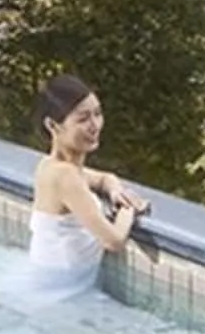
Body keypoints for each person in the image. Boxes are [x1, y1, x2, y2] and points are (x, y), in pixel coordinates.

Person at [23, 73, 148, 297]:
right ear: (53, 125)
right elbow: (114, 241)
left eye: (98, 114)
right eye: (83, 119)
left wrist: (116, 190)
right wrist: (128, 209)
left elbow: (103, 178)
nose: (95, 126)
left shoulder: (50, 166)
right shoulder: (65, 177)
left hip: (50, 278)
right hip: (58, 290)